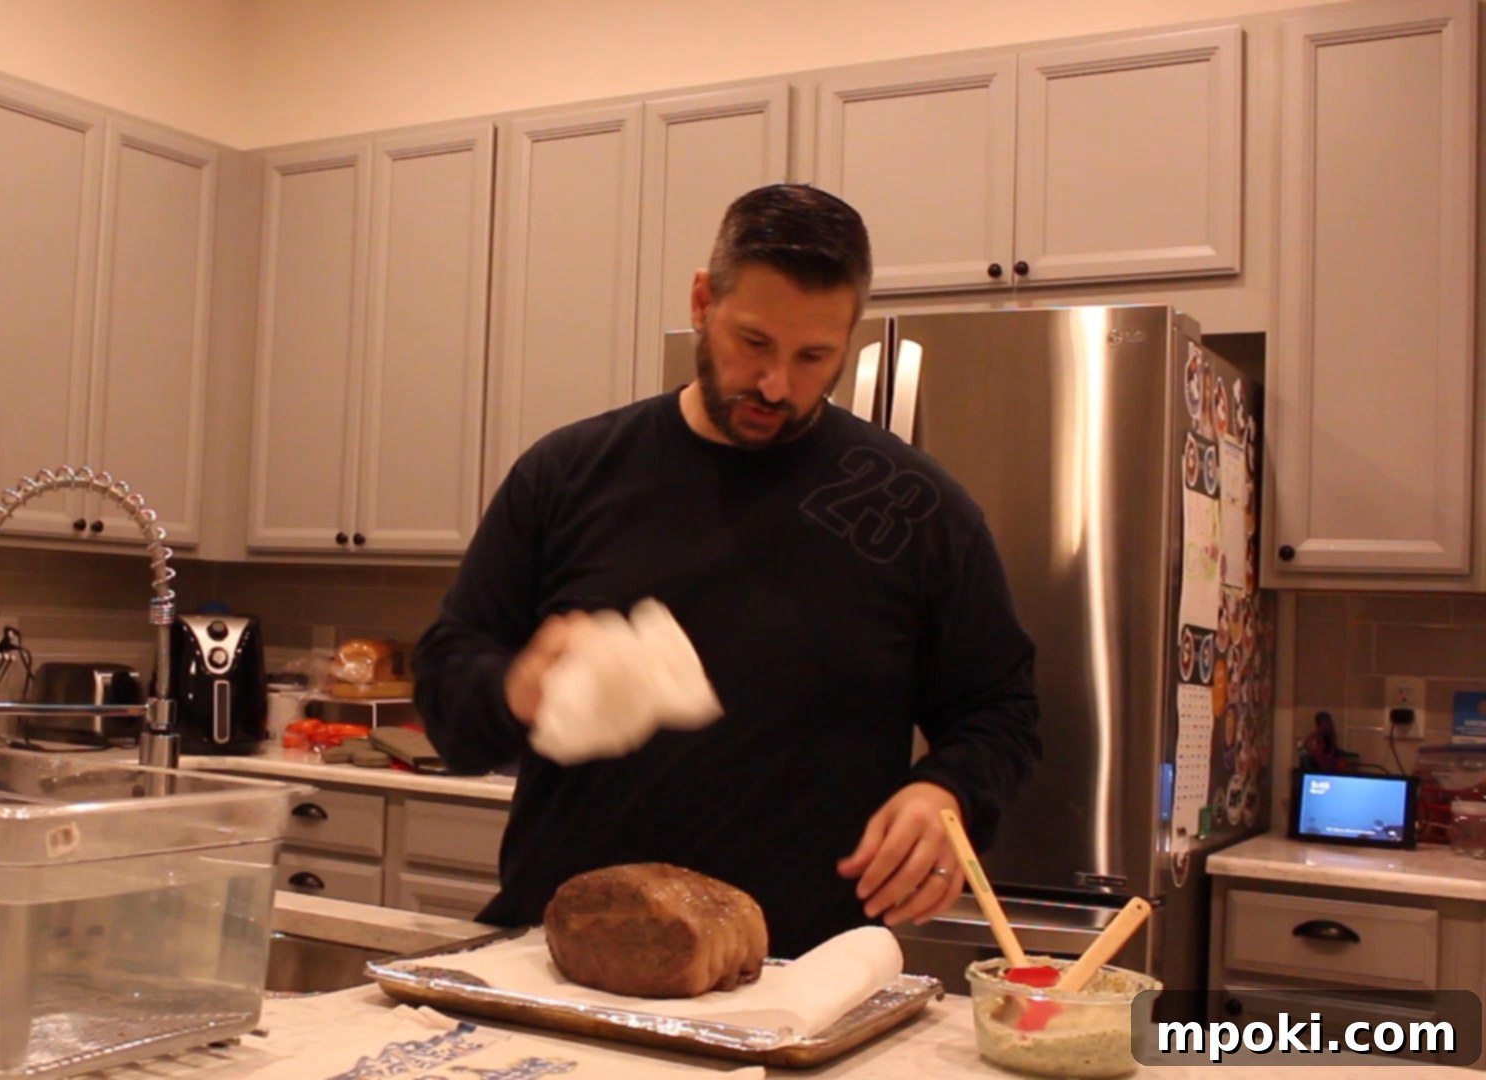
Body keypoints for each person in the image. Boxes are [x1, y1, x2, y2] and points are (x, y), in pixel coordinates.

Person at [412, 183, 1041, 959]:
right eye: (754, 342)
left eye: (814, 357)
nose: (776, 384)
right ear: (703, 302)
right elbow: (446, 687)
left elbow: (1000, 709)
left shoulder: (916, 509)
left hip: (798, 976)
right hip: (562, 960)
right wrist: (514, 686)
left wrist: (948, 793)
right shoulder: (567, 475)